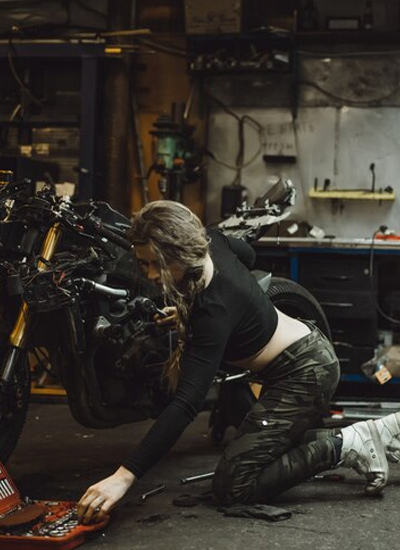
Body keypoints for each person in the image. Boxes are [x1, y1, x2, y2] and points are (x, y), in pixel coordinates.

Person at [77, 200, 400, 523]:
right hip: (300, 352)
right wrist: (199, 310)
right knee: (259, 452)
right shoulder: (209, 241)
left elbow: (186, 405)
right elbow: (248, 256)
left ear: (180, 254)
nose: (149, 275)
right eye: (143, 264)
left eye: (155, 265)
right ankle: (366, 434)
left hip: (306, 372)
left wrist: (124, 476)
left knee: (234, 486)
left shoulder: (213, 312)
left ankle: (347, 444)